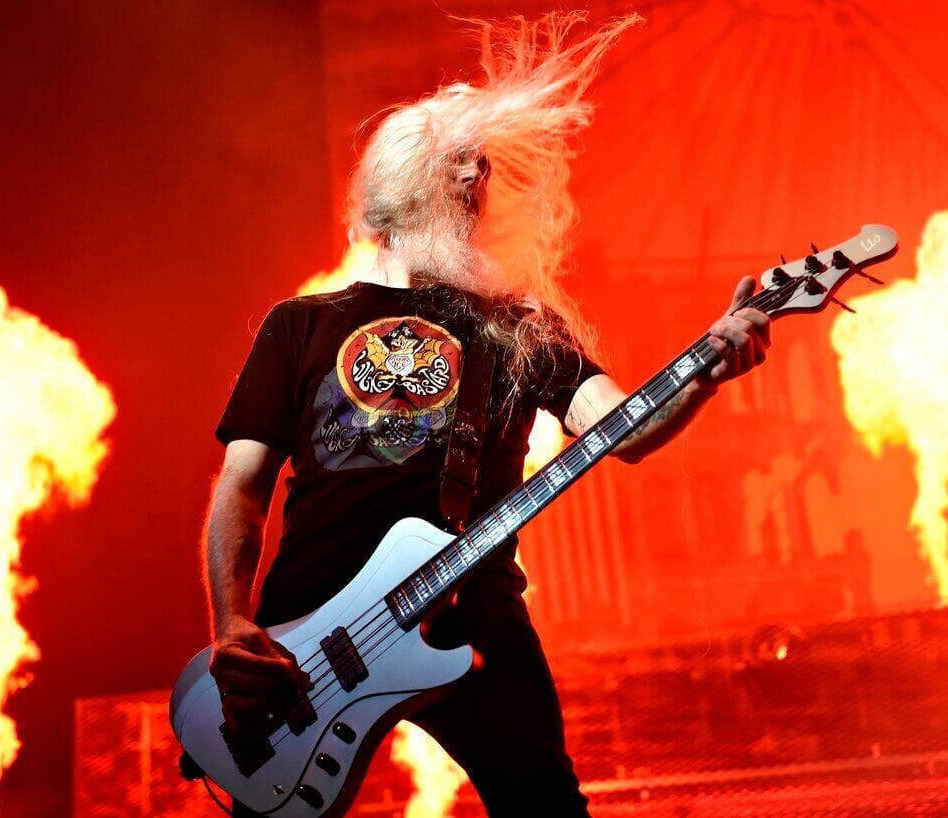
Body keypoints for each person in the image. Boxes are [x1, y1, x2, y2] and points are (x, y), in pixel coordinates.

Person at [203, 13, 770, 817]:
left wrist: (707, 367)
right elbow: (241, 485)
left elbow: (627, 430)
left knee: (544, 804)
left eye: (479, 177)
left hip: (473, 611)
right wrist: (232, 623)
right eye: (459, 174)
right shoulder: (298, 325)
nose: (479, 187)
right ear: (405, 190)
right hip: (308, 629)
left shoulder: (517, 325)